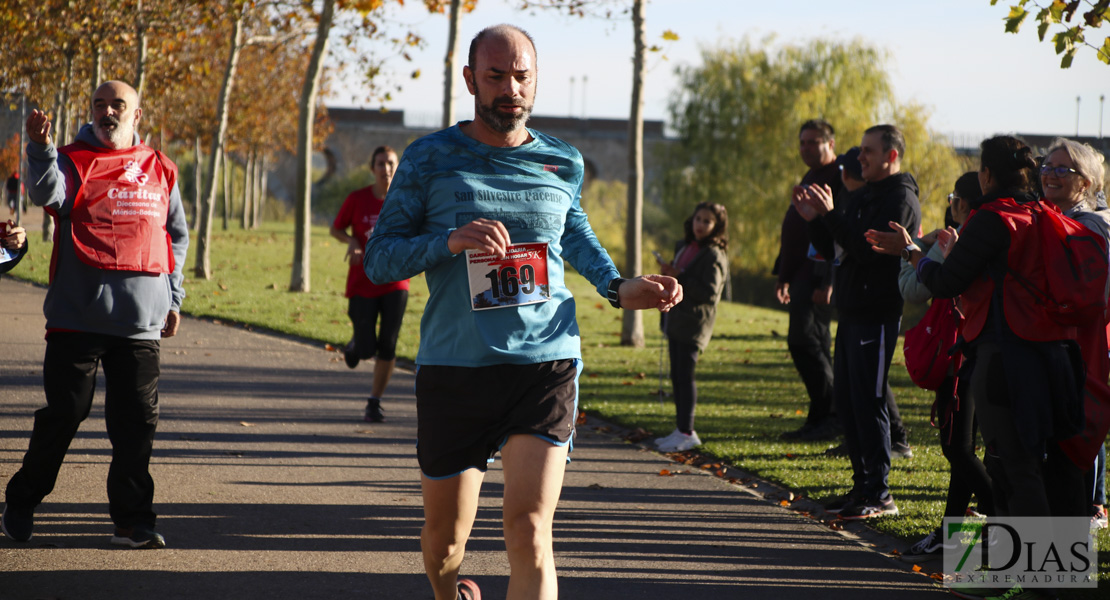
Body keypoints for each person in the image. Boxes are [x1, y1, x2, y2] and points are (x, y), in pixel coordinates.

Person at [364, 24, 681, 600]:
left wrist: (618, 285)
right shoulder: (428, 158)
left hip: (545, 362)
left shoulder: (562, 161)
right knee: (444, 544)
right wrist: (449, 243)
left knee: (531, 530)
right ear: (469, 80)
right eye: (496, 76)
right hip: (456, 366)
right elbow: (380, 260)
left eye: (521, 75)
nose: (510, 87)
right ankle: (447, 589)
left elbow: (572, 232)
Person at [2, 81, 189, 549]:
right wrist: (41, 147)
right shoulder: (71, 158)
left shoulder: (161, 168)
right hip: (77, 318)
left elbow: (175, 237)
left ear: (136, 114)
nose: (107, 113)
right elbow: (49, 194)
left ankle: (133, 521)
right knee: (65, 413)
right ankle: (22, 500)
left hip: (141, 321)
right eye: (100, 105)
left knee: (136, 424)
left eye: (117, 106)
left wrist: (174, 296)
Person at [876, 136, 1087, 518]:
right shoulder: (1043, 213)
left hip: (1003, 356)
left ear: (986, 175)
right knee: (1048, 468)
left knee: (1012, 469)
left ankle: (1027, 575)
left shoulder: (991, 217)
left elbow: (942, 283)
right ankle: (1050, 574)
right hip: (1056, 355)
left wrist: (910, 252)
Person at [793, 124, 921, 520]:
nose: (859, 157)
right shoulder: (865, 193)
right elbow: (838, 244)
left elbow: (867, 252)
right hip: (849, 312)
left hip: (875, 314)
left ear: (892, 156)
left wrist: (831, 216)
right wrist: (815, 219)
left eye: (868, 151)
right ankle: (861, 488)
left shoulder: (900, 198)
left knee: (869, 402)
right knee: (848, 403)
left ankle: (880, 495)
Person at [877, 172, 994, 556]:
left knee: (957, 448)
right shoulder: (990, 229)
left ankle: (1004, 522)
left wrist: (909, 253)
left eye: (952, 197)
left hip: (963, 355)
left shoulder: (963, 236)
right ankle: (953, 532)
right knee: (964, 449)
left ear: (962, 202)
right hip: (980, 351)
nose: (950, 204)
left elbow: (917, 288)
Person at [1038, 137, 1110, 527]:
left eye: (1062, 169)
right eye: (1046, 167)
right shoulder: (1043, 219)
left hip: (1078, 353)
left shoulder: (1093, 228)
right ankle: (1040, 572)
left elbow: (1092, 298)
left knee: (1070, 456)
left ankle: (1056, 577)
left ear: (1085, 183)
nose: (1049, 174)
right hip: (1044, 351)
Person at [329, 145, 408, 423]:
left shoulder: (406, 200)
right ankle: (355, 347)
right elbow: (336, 228)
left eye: (390, 163)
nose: (386, 169)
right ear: (372, 168)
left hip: (396, 281)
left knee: (388, 344)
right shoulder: (357, 199)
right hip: (363, 281)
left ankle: (374, 401)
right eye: (380, 164)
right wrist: (351, 240)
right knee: (366, 349)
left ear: (397, 167)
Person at [776, 120, 840, 441]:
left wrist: (828, 282)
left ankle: (830, 417)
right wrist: (783, 274)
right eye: (802, 142)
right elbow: (796, 231)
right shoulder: (812, 175)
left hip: (818, 277)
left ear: (831, 143)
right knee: (804, 344)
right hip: (800, 275)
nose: (806, 148)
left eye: (813, 142)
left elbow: (836, 237)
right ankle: (819, 416)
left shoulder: (838, 177)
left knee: (810, 343)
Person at [653, 202, 729, 452]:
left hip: (694, 324)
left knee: (686, 377)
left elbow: (709, 292)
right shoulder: (685, 245)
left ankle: (687, 432)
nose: (701, 224)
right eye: (698, 218)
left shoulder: (714, 255)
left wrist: (680, 275)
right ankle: (680, 429)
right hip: (676, 320)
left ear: (716, 226)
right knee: (677, 376)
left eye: (707, 221)